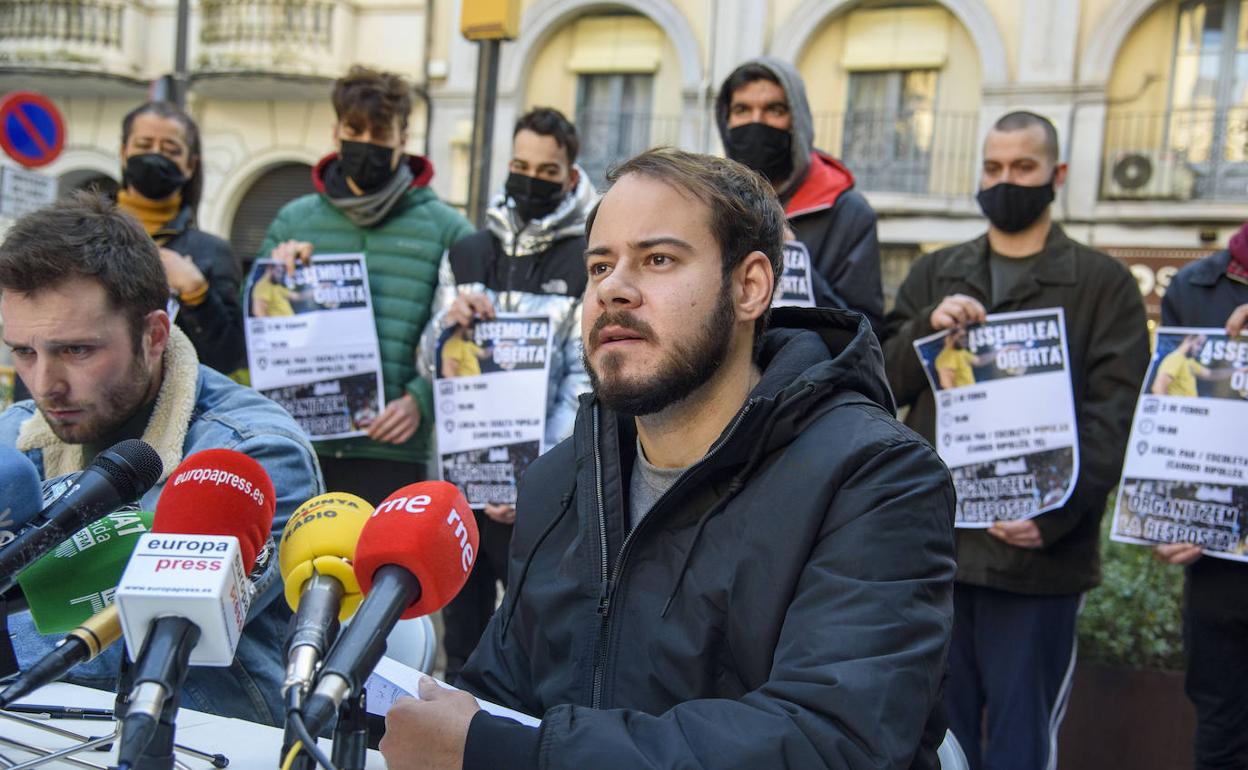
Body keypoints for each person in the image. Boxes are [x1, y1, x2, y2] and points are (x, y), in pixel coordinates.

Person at [378, 148, 956, 770]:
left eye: (658, 259)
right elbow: (498, 689)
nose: (614, 290)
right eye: (600, 266)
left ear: (749, 287)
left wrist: (514, 754)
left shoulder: (878, 479)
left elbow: (831, 740)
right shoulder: (559, 483)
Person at [882, 111, 1150, 770]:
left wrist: (1057, 510)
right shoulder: (936, 273)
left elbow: (1114, 415)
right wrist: (926, 330)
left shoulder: (1102, 284)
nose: (1005, 181)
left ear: (1056, 175)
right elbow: (878, 380)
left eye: (1022, 168)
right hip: (938, 556)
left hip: (1037, 566)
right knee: (931, 744)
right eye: (993, 168)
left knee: (1021, 746)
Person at [0, 193, 324, 725]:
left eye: (76, 350)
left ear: (153, 335)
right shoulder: (18, 435)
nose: (44, 385)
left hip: (212, 738)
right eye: (23, 352)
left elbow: (156, 627)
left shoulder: (254, 453)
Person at [417, 106, 594, 681]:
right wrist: (449, 327)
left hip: (536, 489)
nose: (531, 178)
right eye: (521, 165)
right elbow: (428, 364)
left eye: (547, 170)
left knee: (533, 637)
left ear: (570, 177)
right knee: (460, 635)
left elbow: (585, 377)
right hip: (461, 482)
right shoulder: (468, 250)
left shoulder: (587, 257)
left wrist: (537, 472)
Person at [258, 65, 475, 504]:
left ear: (403, 136)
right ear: (336, 130)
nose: (368, 143)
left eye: (381, 132)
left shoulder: (448, 228)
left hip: (395, 449)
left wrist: (421, 401)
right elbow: (257, 337)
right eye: (356, 129)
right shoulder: (293, 221)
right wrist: (273, 280)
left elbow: (469, 335)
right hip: (305, 447)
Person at [1152, 223, 1248, 770]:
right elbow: (1171, 421)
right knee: (1220, 739)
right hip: (1220, 575)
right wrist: (1167, 509)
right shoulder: (1195, 287)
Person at [715, 57, 883, 331]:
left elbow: (866, 334)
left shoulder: (849, 214)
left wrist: (792, 257)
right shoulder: (708, 203)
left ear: (797, 121)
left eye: (774, 110)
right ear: (726, 121)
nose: (756, 122)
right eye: (742, 109)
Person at [116, 101, 246, 376]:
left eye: (171, 150)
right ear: (123, 152)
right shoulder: (82, 236)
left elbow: (229, 360)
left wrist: (198, 295)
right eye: (144, 144)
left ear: (190, 165)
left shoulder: (212, 252)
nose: (155, 155)